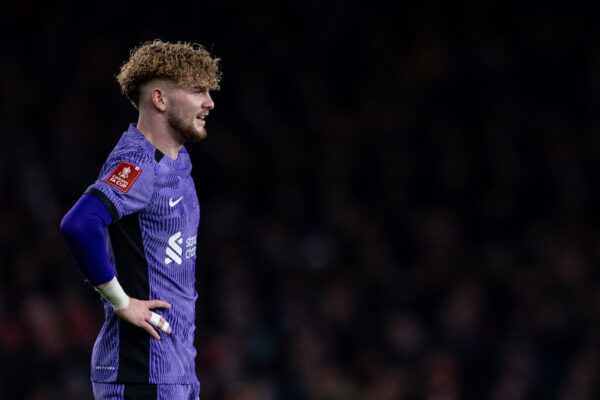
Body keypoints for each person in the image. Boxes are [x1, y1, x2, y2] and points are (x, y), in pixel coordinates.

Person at [60, 39, 221, 400]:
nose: (209, 102)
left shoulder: (176, 161)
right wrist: (121, 301)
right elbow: (79, 223)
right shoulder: (138, 164)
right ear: (160, 99)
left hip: (174, 371)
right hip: (141, 373)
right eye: (197, 90)